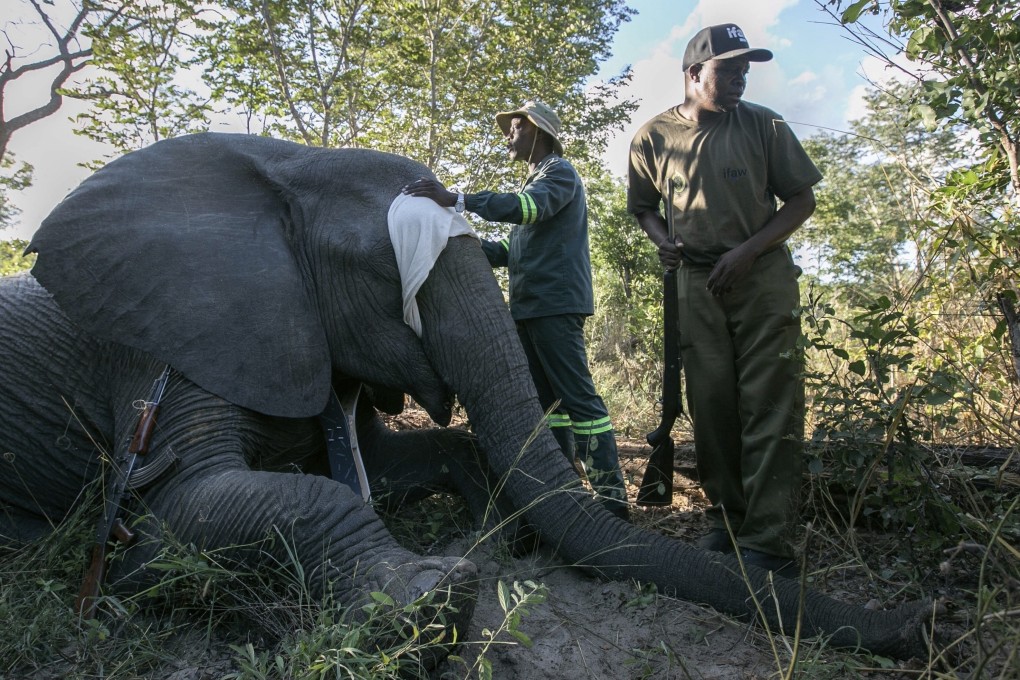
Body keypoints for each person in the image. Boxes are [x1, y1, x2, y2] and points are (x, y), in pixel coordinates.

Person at [627, 24, 821, 574]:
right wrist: (661, 240)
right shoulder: (652, 137)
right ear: (694, 74)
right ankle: (728, 520)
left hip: (760, 278)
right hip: (695, 282)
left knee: (769, 400)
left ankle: (770, 539)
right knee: (712, 406)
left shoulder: (764, 124)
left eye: (745, 71)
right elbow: (642, 205)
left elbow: (801, 199)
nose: (740, 80)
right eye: (728, 70)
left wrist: (748, 252)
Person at [403, 100, 629, 520]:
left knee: (579, 400)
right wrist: (455, 242)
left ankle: (613, 506)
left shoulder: (558, 174)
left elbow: (528, 210)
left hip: (554, 306)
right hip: (531, 308)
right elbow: (511, 250)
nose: (509, 134)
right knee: (550, 407)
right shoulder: (536, 183)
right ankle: (565, 495)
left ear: (538, 131)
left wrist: (458, 200)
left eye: (516, 127)